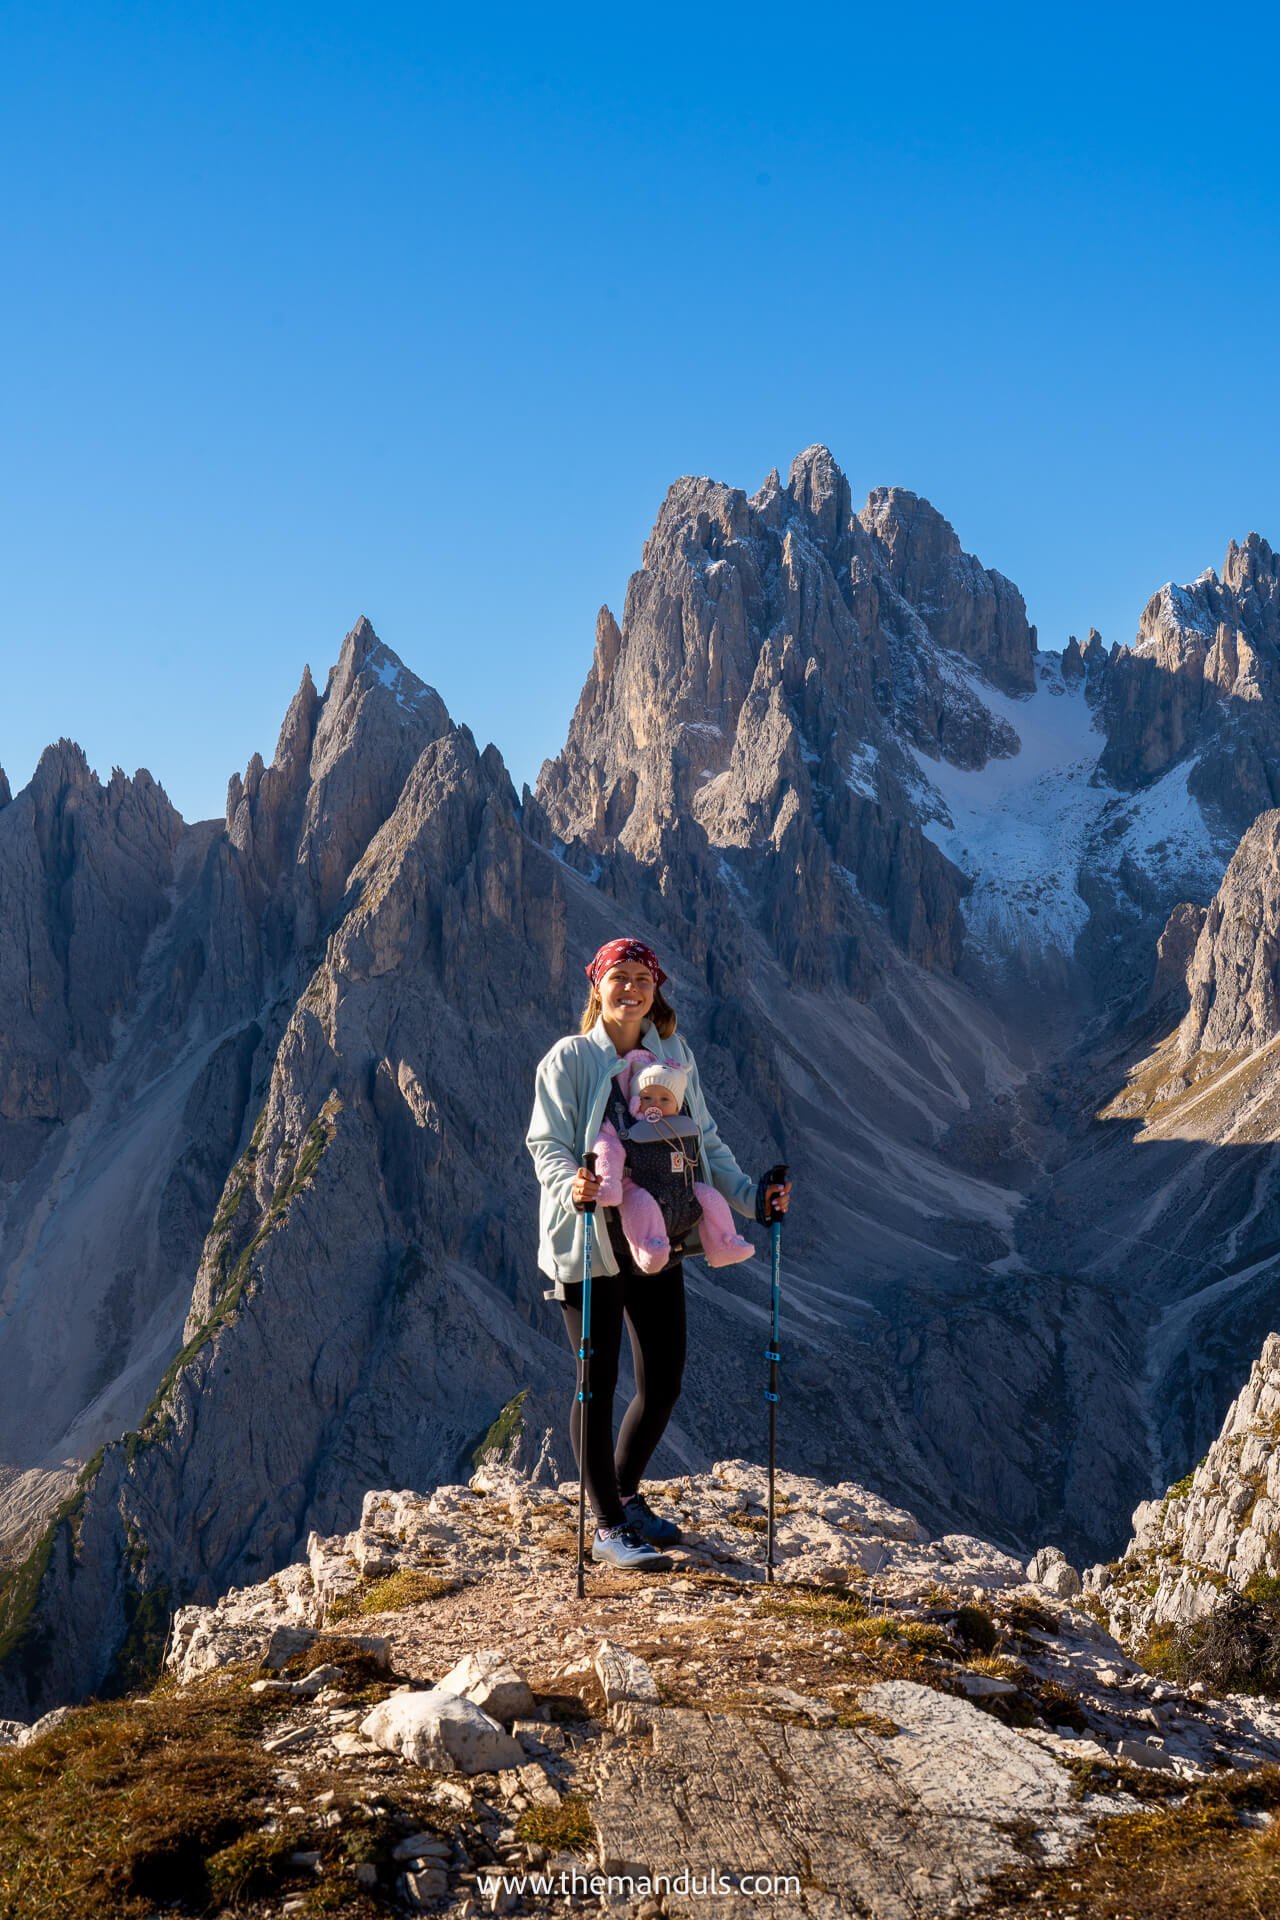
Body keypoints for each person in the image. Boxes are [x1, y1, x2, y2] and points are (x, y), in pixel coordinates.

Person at [526, 937, 791, 1572]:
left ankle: (623, 1491)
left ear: (656, 989)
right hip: (589, 1243)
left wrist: (754, 1199)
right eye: (620, 977)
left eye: (643, 978)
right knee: (598, 1383)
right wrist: (575, 1187)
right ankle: (610, 1527)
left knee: (664, 1379)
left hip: (655, 1241)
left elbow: (706, 1142)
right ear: (598, 987)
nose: (632, 988)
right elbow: (547, 1145)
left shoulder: (673, 1055)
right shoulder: (568, 1060)